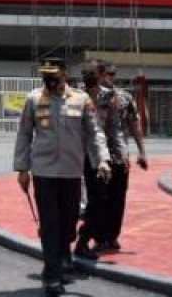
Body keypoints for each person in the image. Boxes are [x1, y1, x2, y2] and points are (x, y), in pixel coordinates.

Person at [14, 55, 111, 297]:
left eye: (55, 76)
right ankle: (51, 276)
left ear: (65, 73)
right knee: (49, 225)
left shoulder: (81, 99)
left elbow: (94, 133)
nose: (50, 81)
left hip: (71, 171)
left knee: (68, 225)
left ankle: (64, 253)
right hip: (44, 172)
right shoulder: (34, 99)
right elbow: (24, 134)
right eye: (46, 77)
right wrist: (22, 169)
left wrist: (103, 160)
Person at [73, 58, 123, 261]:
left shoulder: (110, 98)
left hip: (97, 156)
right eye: (84, 73)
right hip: (73, 154)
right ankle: (65, 242)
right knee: (71, 201)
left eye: (92, 73)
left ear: (101, 75)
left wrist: (120, 154)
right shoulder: (73, 95)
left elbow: (114, 129)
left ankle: (84, 239)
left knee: (99, 200)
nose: (87, 77)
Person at [99, 61, 148, 252]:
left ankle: (112, 236)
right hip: (98, 156)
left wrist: (142, 152)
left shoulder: (125, 97)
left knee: (117, 199)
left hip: (120, 156)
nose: (111, 78)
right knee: (99, 198)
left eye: (113, 74)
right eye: (107, 74)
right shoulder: (89, 96)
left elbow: (134, 125)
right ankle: (99, 236)